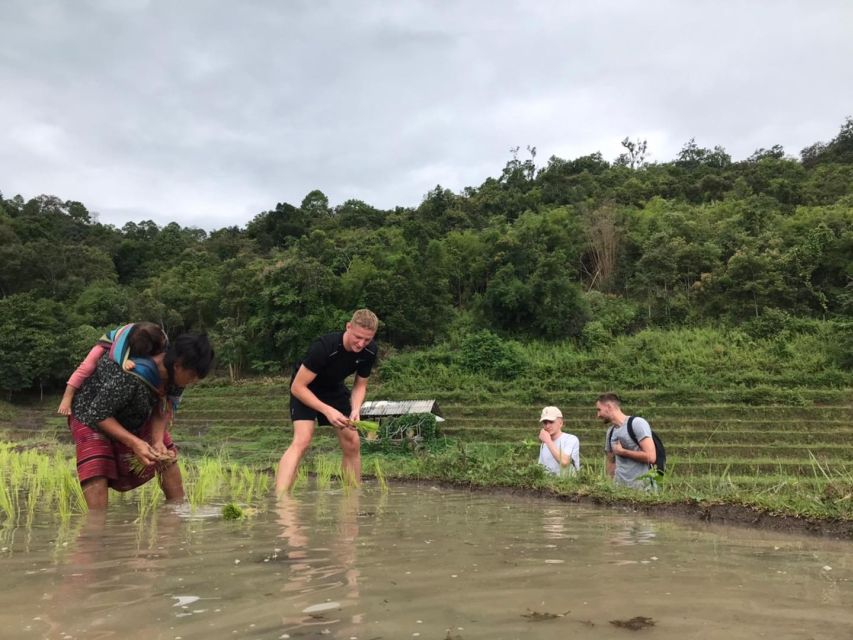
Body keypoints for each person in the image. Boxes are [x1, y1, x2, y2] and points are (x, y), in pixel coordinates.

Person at [68, 333, 214, 509]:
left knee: (166, 457)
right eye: (192, 376)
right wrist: (135, 443)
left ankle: (178, 514)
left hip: (135, 412)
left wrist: (158, 440)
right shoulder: (133, 374)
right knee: (96, 466)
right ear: (178, 365)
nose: (192, 382)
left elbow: (162, 410)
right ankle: (97, 529)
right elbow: (99, 414)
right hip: (90, 413)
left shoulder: (176, 380)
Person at [275, 309, 379, 495]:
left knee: (352, 441)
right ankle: (281, 498)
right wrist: (327, 411)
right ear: (348, 327)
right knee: (302, 440)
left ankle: (353, 496)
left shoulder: (369, 351)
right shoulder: (324, 347)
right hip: (306, 389)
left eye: (367, 339)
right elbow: (297, 387)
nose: (361, 343)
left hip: (333, 389)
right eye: (357, 337)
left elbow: (360, 385)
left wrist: (356, 409)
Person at [58, 322, 168, 416]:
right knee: (87, 366)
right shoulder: (126, 337)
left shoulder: (158, 334)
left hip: (139, 343)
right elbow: (114, 352)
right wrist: (124, 361)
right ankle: (67, 396)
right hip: (110, 342)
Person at [597, 393, 657, 490]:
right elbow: (611, 461)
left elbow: (651, 457)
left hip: (642, 490)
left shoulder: (638, 424)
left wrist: (623, 452)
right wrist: (608, 486)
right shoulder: (610, 432)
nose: (598, 415)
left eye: (599, 410)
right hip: (619, 490)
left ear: (609, 407)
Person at [537, 406, 580, 475]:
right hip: (548, 484)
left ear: (561, 423)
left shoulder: (571, 439)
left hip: (567, 484)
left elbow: (564, 462)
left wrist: (548, 441)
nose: (547, 426)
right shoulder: (544, 444)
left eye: (551, 422)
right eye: (545, 423)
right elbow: (540, 468)